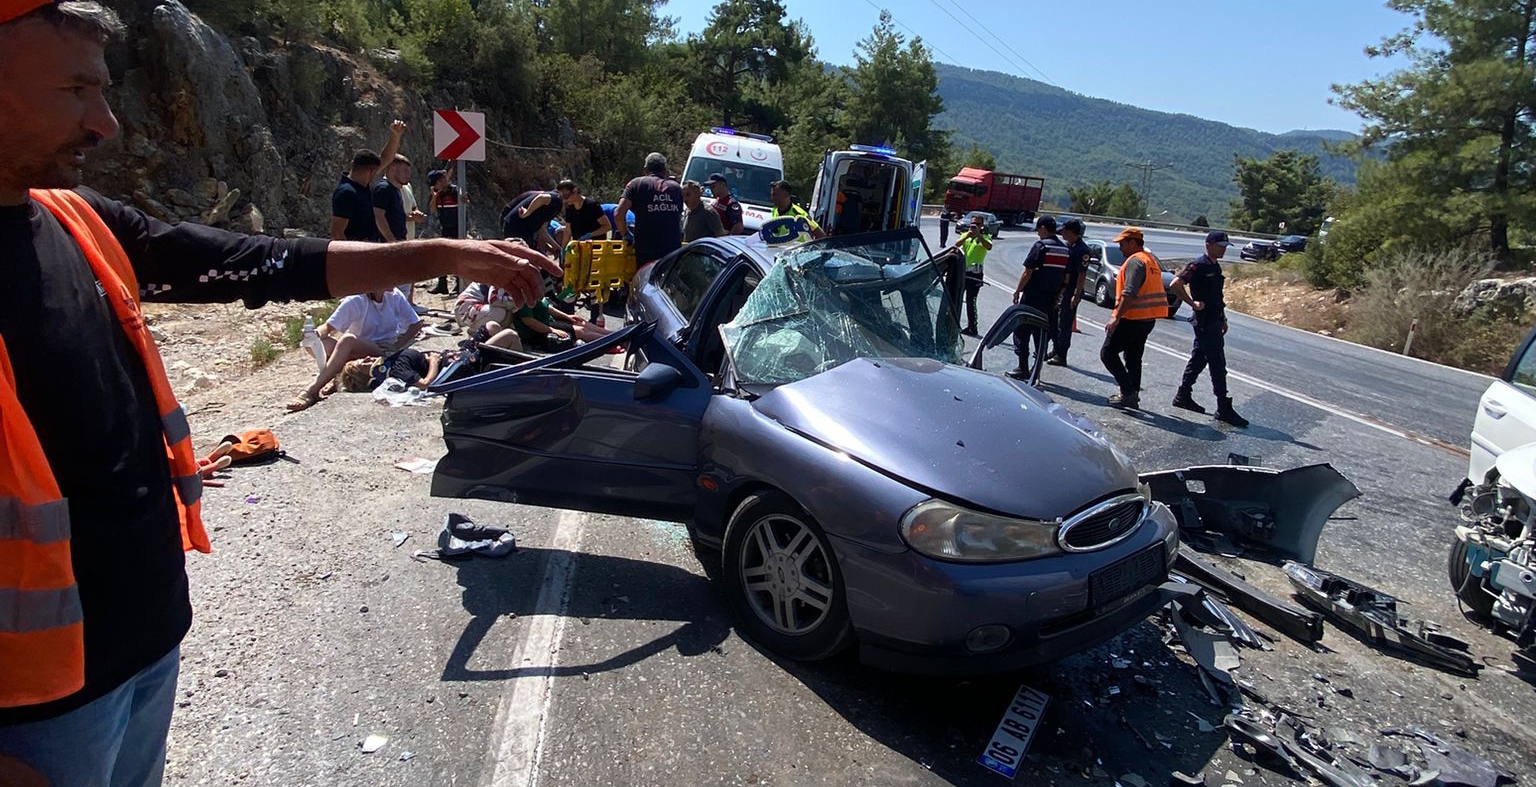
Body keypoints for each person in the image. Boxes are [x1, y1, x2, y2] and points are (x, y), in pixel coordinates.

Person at [0, 5, 559, 783]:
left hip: (145, 644)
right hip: (37, 710)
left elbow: (263, 261)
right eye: (74, 90)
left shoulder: (75, 222)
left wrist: (449, 253)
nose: (107, 124)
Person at [287, 289, 423, 410]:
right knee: (312, 343)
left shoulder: (395, 296)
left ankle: (312, 389)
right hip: (357, 352)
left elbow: (416, 324)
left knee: (348, 339)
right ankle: (338, 375)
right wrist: (315, 334)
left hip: (382, 352)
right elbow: (329, 326)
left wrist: (397, 345)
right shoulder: (356, 300)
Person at [1170, 231, 1249, 427]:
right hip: (1204, 323)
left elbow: (1217, 297)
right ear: (1209, 245)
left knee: (1199, 359)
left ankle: (1183, 395)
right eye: (1220, 245)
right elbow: (1175, 284)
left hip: (1214, 320)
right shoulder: (1198, 265)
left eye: (1225, 246)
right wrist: (1192, 303)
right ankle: (1223, 407)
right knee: (1217, 364)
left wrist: (1223, 318)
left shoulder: (1215, 266)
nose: (1223, 249)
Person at [1099, 227, 1168, 408]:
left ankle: (1128, 392)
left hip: (1131, 318)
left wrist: (1116, 317)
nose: (1120, 248)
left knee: (1108, 353)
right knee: (1133, 357)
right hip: (1147, 319)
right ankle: (1132, 394)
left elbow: (1129, 293)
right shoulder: (1150, 261)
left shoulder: (1135, 262)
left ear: (1132, 243)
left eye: (1122, 244)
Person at [1008, 215, 1071, 379]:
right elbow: (1066, 278)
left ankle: (1023, 368)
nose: (1037, 233)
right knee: (1041, 333)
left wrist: (1017, 291)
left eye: (1038, 229)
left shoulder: (1041, 246)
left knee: (1022, 330)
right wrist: (1059, 295)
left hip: (1032, 297)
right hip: (1050, 299)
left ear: (1043, 228)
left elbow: (1028, 272)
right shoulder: (1065, 249)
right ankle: (1036, 370)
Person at [330, 120, 405, 241]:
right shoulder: (347, 193)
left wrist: (395, 136)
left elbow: (386, 158)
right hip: (355, 254)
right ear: (371, 171)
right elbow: (337, 234)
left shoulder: (361, 186)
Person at [613, 152, 684, 276]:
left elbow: (618, 214)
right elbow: (677, 217)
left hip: (646, 249)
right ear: (665, 170)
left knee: (645, 284)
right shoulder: (676, 188)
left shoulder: (637, 184)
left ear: (645, 169)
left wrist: (625, 234)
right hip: (672, 250)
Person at [1047, 218, 1091, 366]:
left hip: (1071, 290)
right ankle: (1056, 349)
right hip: (1063, 289)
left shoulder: (1082, 250)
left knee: (1065, 324)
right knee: (1057, 321)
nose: (1062, 233)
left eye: (1065, 231)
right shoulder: (1070, 246)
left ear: (1072, 232)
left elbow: (1081, 275)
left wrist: (1076, 295)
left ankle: (1061, 355)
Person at [513, 296, 612, 352]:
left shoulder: (534, 292)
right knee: (580, 331)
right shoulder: (524, 298)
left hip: (547, 321)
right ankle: (612, 341)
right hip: (536, 332)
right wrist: (552, 330)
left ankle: (613, 334)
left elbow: (548, 308)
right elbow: (529, 322)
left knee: (580, 322)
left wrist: (567, 316)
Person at [453, 281, 525, 350]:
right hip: (465, 307)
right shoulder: (501, 275)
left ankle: (492, 336)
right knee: (500, 312)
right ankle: (474, 332)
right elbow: (493, 300)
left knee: (505, 314)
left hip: (477, 308)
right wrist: (512, 304)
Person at [337, 347, 444, 393]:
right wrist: (434, 362)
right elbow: (424, 384)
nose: (368, 357)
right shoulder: (396, 370)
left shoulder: (392, 362)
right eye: (364, 363)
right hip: (449, 368)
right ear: (365, 376)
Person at [952, 212, 991, 336]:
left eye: (977, 224)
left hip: (975, 274)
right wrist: (967, 235)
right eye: (973, 223)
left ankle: (972, 327)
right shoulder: (965, 235)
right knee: (956, 298)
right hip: (963, 271)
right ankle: (952, 322)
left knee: (971, 300)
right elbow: (956, 245)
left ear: (982, 226)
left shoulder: (985, 237)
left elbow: (988, 246)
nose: (974, 226)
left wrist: (979, 235)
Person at [425, 169, 463, 295]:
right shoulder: (439, 195)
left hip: (457, 228)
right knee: (442, 257)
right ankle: (442, 285)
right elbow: (433, 210)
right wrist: (434, 197)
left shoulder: (454, 191)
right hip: (445, 227)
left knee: (457, 257)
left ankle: (459, 284)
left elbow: (464, 203)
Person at [501, 187, 561, 254]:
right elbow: (542, 198)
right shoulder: (555, 199)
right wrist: (527, 213)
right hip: (517, 224)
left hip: (517, 225)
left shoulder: (548, 204)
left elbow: (542, 232)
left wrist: (556, 249)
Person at [555, 179, 609, 246]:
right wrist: (563, 248)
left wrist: (590, 234)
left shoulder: (591, 205)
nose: (564, 200)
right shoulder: (569, 208)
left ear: (575, 191)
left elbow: (607, 226)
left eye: (566, 197)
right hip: (579, 247)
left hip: (596, 247)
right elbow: (568, 231)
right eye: (562, 197)